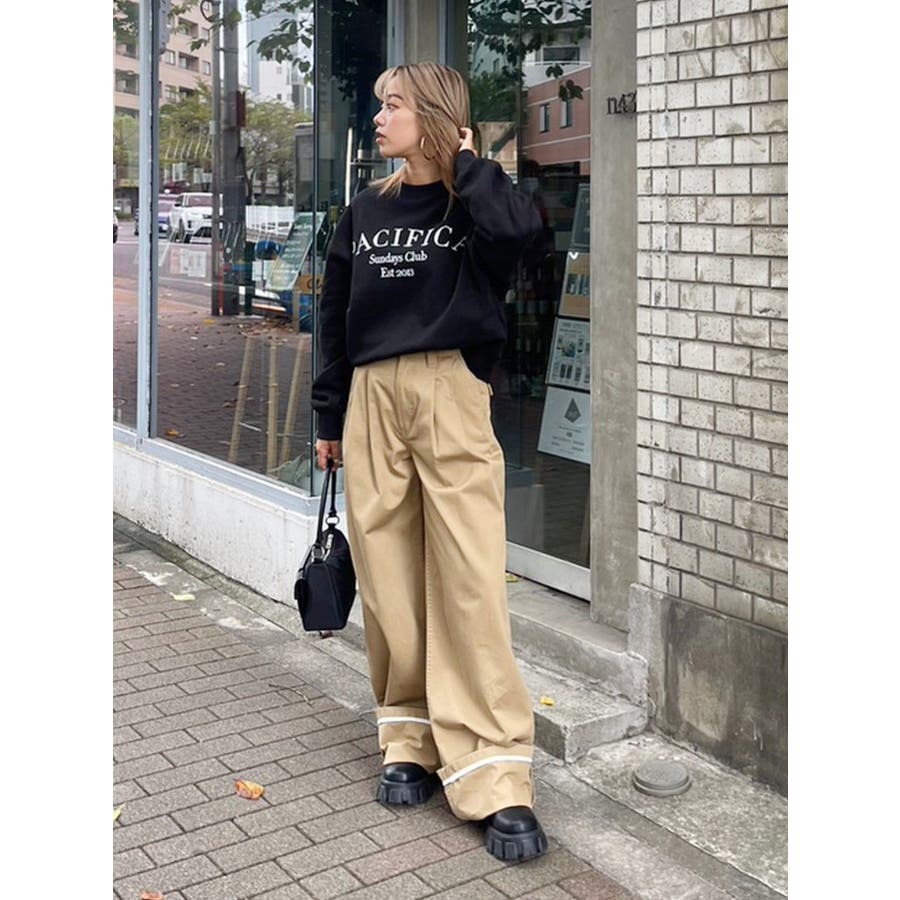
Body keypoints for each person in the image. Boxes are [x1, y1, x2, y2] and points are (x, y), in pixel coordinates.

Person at [311, 62, 547, 862]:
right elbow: (335, 315)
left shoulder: (475, 200)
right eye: (381, 106)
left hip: (450, 387)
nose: (380, 118)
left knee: (469, 575)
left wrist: (467, 163)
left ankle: (494, 770)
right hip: (372, 394)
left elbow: (518, 238)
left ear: (435, 116)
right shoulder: (365, 211)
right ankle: (407, 736)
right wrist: (329, 414)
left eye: (395, 106)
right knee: (387, 574)